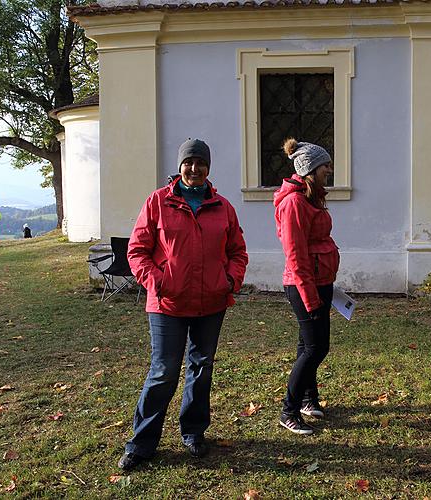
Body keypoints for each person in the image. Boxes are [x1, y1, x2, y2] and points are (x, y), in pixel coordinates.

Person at [118, 138, 248, 471]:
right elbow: (137, 251)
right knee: (163, 372)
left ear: (208, 167)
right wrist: (157, 282)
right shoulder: (157, 203)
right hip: (167, 305)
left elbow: (238, 252)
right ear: (179, 167)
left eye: (200, 163)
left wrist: (229, 280)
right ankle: (142, 443)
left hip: (210, 303)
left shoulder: (223, 208)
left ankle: (193, 432)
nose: (194, 168)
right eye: (188, 162)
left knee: (201, 369)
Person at [274, 138, 339, 435]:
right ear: (310, 169)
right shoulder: (293, 203)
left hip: (320, 282)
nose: (329, 169)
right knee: (316, 347)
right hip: (304, 286)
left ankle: (307, 399)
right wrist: (310, 297)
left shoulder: (312, 198)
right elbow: (296, 255)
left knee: (306, 345)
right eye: (325, 165)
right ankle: (288, 411)